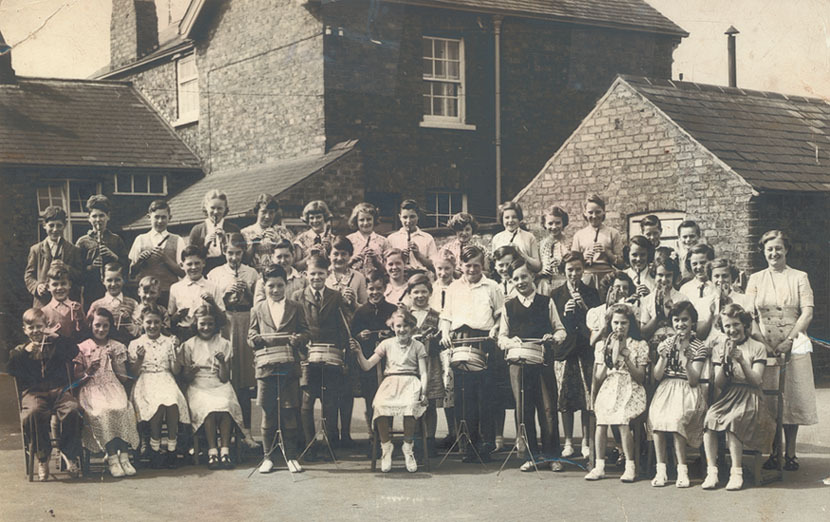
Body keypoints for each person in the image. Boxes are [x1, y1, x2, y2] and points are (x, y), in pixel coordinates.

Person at [746, 230, 817, 472]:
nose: (774, 253)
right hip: (765, 344)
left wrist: (789, 340)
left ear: (786, 250)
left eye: (778, 248)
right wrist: (763, 344)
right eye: (769, 249)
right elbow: (749, 315)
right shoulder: (755, 279)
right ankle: (774, 451)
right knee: (770, 398)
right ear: (763, 252)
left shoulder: (800, 277)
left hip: (793, 343)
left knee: (791, 397)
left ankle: (791, 453)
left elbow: (807, 311)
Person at [497, 258, 567, 471]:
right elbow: (502, 337)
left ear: (533, 276)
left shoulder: (546, 302)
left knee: (547, 408)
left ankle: (552, 455)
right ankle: (531, 456)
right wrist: (511, 342)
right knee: (523, 409)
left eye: (524, 276)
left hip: (543, 362)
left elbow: (561, 330)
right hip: (518, 364)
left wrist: (554, 338)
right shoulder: (508, 305)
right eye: (515, 278)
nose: (520, 281)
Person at [439, 245, 504, 462]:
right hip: (460, 340)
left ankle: (485, 445)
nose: (472, 269)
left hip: (484, 341)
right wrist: (446, 333)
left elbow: (500, 315)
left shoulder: (492, 286)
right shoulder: (453, 288)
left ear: (483, 265)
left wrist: (495, 328)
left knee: (485, 395)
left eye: (477, 265)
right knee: (463, 396)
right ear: (461, 265)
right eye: (468, 265)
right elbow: (446, 316)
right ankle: (466, 446)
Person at [702, 304, 774, 491]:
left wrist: (741, 360)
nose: (732, 330)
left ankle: (736, 472)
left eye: (736, 324)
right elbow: (719, 384)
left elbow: (756, 380)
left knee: (734, 421)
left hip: (751, 396)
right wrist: (725, 362)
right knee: (710, 419)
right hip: (729, 394)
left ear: (745, 325)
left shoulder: (757, 347)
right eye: (727, 326)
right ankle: (712, 471)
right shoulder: (720, 347)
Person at [7, 308, 82, 481]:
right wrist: (26, 351)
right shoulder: (20, 350)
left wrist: (56, 336)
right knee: (33, 413)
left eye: (39, 327)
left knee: (72, 409)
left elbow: (74, 351)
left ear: (46, 326)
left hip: (58, 390)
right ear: (25, 330)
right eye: (31, 327)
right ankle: (42, 457)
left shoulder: (56, 345)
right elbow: (11, 368)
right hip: (33, 393)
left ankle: (69, 453)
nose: (35, 331)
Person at [350, 308, 428, 473]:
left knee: (410, 405)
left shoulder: (418, 346)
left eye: (406, 326)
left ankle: (408, 448)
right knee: (379, 405)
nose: (402, 330)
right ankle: (386, 448)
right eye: (398, 326)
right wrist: (358, 352)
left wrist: (424, 392)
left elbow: (423, 372)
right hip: (390, 382)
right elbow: (367, 365)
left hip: (411, 381)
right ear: (393, 327)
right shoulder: (386, 344)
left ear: (412, 327)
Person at [248, 264, 309, 474]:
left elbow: (306, 332)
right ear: (264, 286)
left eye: (280, 286)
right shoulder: (257, 309)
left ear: (286, 285)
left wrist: (298, 338)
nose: (275, 290)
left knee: (289, 410)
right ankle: (268, 457)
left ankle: (291, 456)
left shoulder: (296, 307)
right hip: (266, 368)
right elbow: (251, 336)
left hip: (289, 366)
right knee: (269, 411)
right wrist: (254, 340)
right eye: (271, 286)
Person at [294, 254, 350, 460]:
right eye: (312, 274)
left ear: (327, 274)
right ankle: (310, 445)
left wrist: (343, 353)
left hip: (331, 355)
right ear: (305, 274)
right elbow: (296, 326)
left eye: (320, 274)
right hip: (306, 356)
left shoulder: (336, 296)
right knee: (307, 403)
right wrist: (300, 343)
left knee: (329, 402)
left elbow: (343, 326)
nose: (316, 277)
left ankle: (330, 444)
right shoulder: (298, 296)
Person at [584, 304, 649, 482]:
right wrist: (608, 357)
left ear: (630, 325)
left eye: (624, 323)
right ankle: (599, 466)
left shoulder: (639, 345)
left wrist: (626, 357)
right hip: (610, 386)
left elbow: (640, 377)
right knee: (602, 421)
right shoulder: (602, 345)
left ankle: (630, 466)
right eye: (616, 323)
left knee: (622, 419)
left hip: (631, 387)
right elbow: (598, 377)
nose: (619, 327)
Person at [73, 307, 139, 478]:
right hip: (91, 389)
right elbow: (76, 379)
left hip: (113, 387)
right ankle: (112, 458)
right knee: (104, 411)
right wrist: (89, 369)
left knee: (121, 408)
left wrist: (115, 361)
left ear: (110, 327)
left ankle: (124, 457)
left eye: (105, 326)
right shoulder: (83, 347)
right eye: (97, 325)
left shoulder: (117, 346)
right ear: (91, 325)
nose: (101, 330)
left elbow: (123, 379)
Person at [207, 232, 259, 446]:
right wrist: (226, 293)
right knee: (226, 377)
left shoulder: (252, 272)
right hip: (226, 321)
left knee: (244, 381)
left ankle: (246, 431)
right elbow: (211, 304)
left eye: (238, 253)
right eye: (230, 253)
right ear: (224, 252)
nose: (234, 258)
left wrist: (246, 291)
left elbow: (258, 301)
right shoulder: (215, 274)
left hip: (245, 319)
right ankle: (225, 434)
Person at [648, 301, 707, 488]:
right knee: (657, 420)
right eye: (676, 320)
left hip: (687, 390)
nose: (680, 324)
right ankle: (661, 469)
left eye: (685, 320)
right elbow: (657, 376)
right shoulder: (666, 343)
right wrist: (664, 357)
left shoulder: (699, 346)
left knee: (676, 420)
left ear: (693, 322)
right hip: (666, 389)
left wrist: (688, 361)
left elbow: (693, 380)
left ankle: (682, 469)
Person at [182, 304, 245, 469]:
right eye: (202, 324)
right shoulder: (189, 345)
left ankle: (224, 451)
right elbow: (186, 378)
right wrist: (192, 370)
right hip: (198, 384)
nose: (206, 327)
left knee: (225, 405)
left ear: (215, 324)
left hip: (218, 383)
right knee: (209, 408)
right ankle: (212, 452)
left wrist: (222, 363)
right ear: (196, 324)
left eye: (210, 324)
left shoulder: (223, 343)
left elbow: (224, 378)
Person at [550, 251, 600, 460]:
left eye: (578, 269)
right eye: (570, 270)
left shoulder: (591, 293)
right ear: (564, 271)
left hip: (585, 350)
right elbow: (553, 323)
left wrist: (584, 308)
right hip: (565, 352)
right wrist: (564, 312)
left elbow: (597, 322)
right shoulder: (556, 294)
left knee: (587, 397)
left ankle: (586, 441)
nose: (574, 274)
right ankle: (569, 441)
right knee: (565, 397)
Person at [128, 304, 189, 469]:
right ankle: (155, 448)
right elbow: (133, 373)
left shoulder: (170, 342)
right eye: (149, 322)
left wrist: (175, 352)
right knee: (158, 403)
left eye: (156, 322)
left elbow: (175, 371)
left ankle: (171, 447)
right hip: (145, 381)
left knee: (172, 399)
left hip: (166, 378)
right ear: (142, 323)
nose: (152, 326)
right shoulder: (135, 344)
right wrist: (140, 359)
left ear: (162, 323)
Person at [350, 270, 397, 454]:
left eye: (379, 288)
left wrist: (390, 335)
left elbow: (400, 332)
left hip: (388, 363)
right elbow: (353, 336)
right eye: (371, 289)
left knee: (389, 399)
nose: (375, 292)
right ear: (366, 289)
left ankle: (388, 436)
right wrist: (360, 336)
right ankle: (374, 438)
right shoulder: (360, 312)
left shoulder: (392, 310)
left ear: (385, 288)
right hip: (368, 364)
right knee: (371, 400)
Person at [406, 273, 443, 457]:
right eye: (416, 292)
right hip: (410, 365)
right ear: (409, 294)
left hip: (431, 363)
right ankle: (414, 440)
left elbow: (442, 340)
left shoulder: (437, 315)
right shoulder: (404, 315)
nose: (420, 296)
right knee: (412, 402)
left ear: (430, 293)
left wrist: (434, 340)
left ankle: (430, 440)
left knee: (430, 402)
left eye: (424, 292)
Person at [128, 200, 186, 305]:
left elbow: (183, 273)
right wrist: (139, 261)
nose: (160, 221)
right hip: (146, 294)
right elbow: (132, 273)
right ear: (149, 217)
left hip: (169, 292)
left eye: (163, 217)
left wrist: (165, 258)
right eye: (156, 217)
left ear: (170, 218)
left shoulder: (178, 240)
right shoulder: (140, 239)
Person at [75, 195, 129, 308]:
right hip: (91, 290)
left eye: (101, 216)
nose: (98, 220)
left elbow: (127, 267)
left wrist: (114, 257)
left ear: (108, 216)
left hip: (113, 290)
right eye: (94, 216)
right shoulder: (82, 242)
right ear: (88, 218)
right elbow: (76, 271)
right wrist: (91, 267)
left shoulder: (116, 240)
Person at [24, 206, 83, 307]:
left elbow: (81, 276)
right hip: (42, 303)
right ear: (44, 225)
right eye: (51, 225)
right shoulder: (36, 249)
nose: (55, 229)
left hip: (67, 303)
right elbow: (29, 276)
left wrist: (67, 267)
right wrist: (37, 286)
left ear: (64, 226)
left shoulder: (73, 250)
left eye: (59, 225)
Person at [429, 250, 457, 447]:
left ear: (454, 268)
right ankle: (431, 435)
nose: (443, 272)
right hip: (432, 343)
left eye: (447, 268)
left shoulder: (458, 288)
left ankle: (455, 431)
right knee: (435, 386)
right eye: (439, 268)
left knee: (450, 386)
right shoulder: (431, 290)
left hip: (450, 341)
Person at [168, 245, 225, 340]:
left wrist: (212, 303)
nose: (194, 267)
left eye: (197, 263)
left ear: (203, 263)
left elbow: (223, 320)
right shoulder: (175, 288)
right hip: (184, 334)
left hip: (208, 334)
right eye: (189, 264)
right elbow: (170, 320)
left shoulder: (213, 287)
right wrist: (178, 315)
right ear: (182, 265)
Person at [570, 194, 623, 289]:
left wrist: (608, 253)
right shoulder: (579, 235)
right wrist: (583, 258)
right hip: (585, 278)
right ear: (585, 213)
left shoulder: (613, 233)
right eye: (590, 212)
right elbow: (572, 263)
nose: (594, 216)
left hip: (607, 277)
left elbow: (621, 263)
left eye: (598, 212)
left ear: (603, 212)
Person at [640, 254, 689, 347]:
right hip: (653, 346)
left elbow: (686, 328)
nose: (664, 279)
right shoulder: (647, 300)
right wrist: (657, 316)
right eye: (660, 275)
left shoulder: (682, 299)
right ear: (654, 275)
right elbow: (643, 333)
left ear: (673, 276)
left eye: (668, 275)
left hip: (677, 344)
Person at [698, 258, 753, 340]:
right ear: (711, 278)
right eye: (716, 276)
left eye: (725, 276)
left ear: (733, 278)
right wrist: (711, 314)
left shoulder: (745, 300)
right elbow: (700, 335)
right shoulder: (703, 302)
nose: (720, 280)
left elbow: (749, 330)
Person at [188, 189, 242, 273]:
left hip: (227, 270)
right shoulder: (197, 230)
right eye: (212, 208)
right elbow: (190, 258)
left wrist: (225, 241)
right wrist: (205, 245)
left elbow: (240, 255)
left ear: (225, 209)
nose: (216, 212)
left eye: (220, 208)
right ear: (206, 207)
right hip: (205, 271)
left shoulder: (233, 229)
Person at [86, 263, 139, 345]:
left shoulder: (132, 303)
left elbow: (138, 331)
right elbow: (89, 329)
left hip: (126, 345)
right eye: (109, 280)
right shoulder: (96, 305)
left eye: (117, 280)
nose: (113, 284)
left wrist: (129, 321)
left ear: (124, 280)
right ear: (103, 280)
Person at [241, 193, 294, 274]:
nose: (267, 216)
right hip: (255, 276)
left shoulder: (283, 231)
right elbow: (242, 261)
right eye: (264, 212)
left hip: (279, 277)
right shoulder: (245, 233)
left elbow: (293, 257)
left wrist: (279, 241)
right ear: (257, 211)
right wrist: (253, 246)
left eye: (271, 212)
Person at [386, 199, 438, 275]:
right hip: (400, 277)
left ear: (418, 216)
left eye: (412, 217)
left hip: (421, 277)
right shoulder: (392, 238)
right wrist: (401, 258)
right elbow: (387, 264)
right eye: (405, 217)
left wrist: (418, 255)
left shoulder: (427, 238)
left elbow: (435, 266)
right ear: (399, 217)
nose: (409, 221)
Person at [491, 201, 541, 273]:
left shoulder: (529, 237)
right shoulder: (497, 238)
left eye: (514, 217)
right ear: (502, 219)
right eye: (507, 217)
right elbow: (494, 265)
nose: (510, 220)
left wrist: (521, 254)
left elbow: (537, 267)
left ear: (519, 218)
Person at [253, 239, 307, 304]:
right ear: (272, 257)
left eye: (286, 256)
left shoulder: (303, 280)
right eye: (279, 257)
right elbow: (258, 308)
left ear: (293, 255)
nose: (283, 261)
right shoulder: (263, 281)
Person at [40, 265, 85, 342]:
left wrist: (79, 315)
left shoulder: (76, 307)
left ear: (69, 285)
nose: (60, 288)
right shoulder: (44, 312)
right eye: (55, 284)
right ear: (48, 287)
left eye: (63, 283)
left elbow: (83, 331)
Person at [326, 235, 368, 314]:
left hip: (350, 324)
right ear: (329, 255)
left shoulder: (358, 277)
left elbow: (366, 309)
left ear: (350, 256)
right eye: (335, 254)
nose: (339, 258)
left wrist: (354, 304)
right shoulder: (323, 275)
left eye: (343, 254)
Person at [346, 202, 389, 277]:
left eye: (369, 219)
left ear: (374, 219)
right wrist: (352, 260)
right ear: (356, 221)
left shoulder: (383, 241)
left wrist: (376, 261)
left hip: (376, 283)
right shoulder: (349, 240)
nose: (365, 223)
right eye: (361, 220)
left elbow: (388, 268)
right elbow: (341, 267)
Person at [294, 200, 335, 272]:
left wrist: (328, 252)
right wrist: (310, 256)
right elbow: (295, 267)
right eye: (312, 218)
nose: (315, 221)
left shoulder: (333, 239)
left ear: (324, 217)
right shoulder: (300, 239)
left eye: (318, 217)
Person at [539, 205, 570, 294]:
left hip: (563, 283)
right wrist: (542, 271)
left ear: (563, 223)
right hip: (545, 285)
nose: (554, 227)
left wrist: (563, 264)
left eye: (558, 223)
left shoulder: (569, 243)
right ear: (544, 224)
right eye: (550, 223)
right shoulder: (540, 245)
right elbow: (536, 268)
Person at [676, 220, 703, 285]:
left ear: (698, 237)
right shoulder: (676, 256)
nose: (688, 240)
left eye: (692, 236)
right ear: (679, 238)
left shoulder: (704, 255)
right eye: (685, 237)